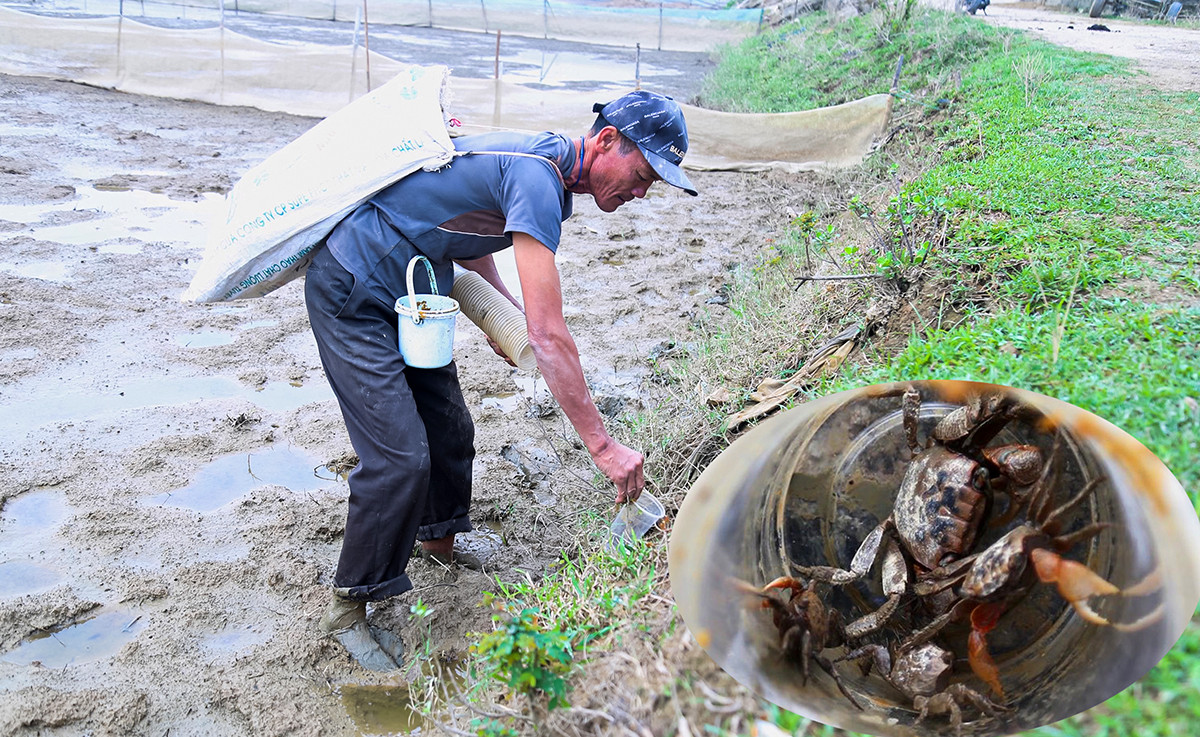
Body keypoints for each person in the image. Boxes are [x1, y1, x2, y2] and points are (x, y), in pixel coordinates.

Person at [305, 90, 698, 670]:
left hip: (418, 291)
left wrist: (500, 310)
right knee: (399, 458)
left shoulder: (549, 171)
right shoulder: (540, 177)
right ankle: (349, 606)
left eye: (651, 186)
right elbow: (551, 335)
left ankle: (438, 542)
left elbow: (473, 227)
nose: (640, 192)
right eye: (641, 175)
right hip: (354, 287)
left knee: (449, 427)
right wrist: (604, 446)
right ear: (608, 140)